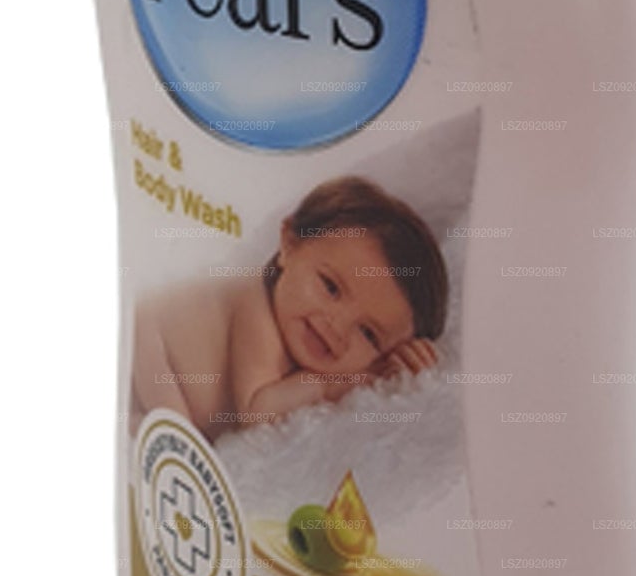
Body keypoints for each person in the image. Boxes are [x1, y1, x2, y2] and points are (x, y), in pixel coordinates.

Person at [131, 176, 446, 437]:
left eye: (368, 333)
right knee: (174, 434)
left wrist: (396, 370)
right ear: (289, 245)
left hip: (157, 392)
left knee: (160, 432)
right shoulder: (255, 306)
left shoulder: (301, 338)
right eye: (331, 287)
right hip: (145, 339)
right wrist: (326, 386)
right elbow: (257, 413)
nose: (336, 327)